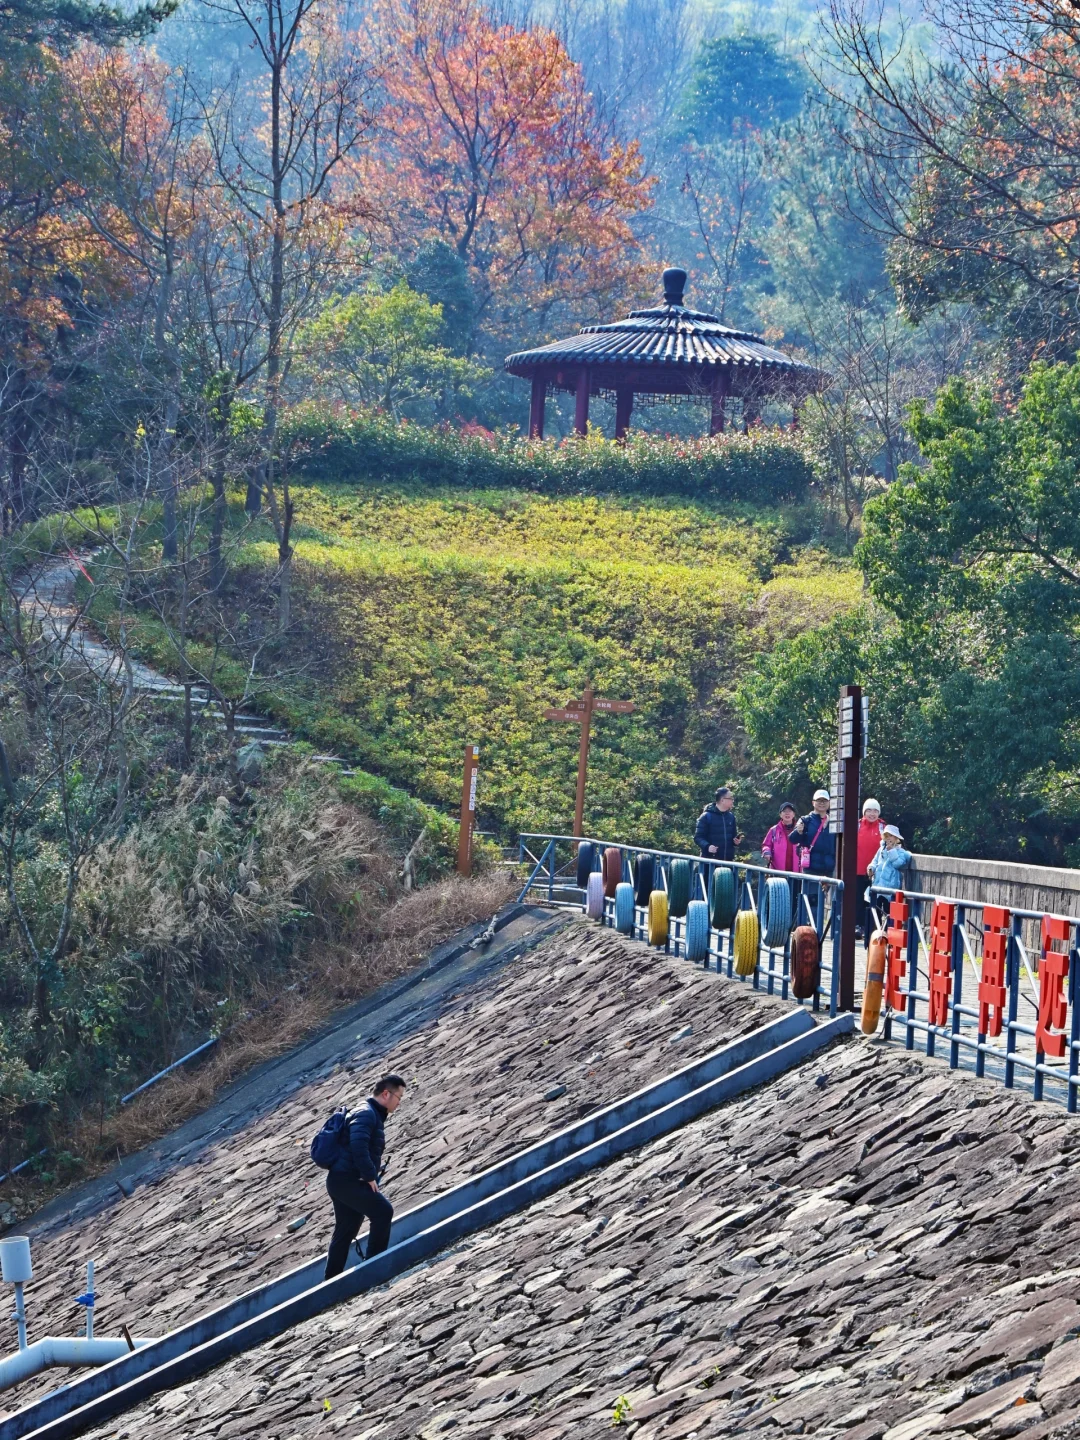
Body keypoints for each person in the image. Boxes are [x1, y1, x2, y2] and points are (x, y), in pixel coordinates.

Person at [323, 1074, 406, 1280]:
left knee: (346, 1229)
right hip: (346, 1180)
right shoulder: (367, 1113)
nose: (399, 1102)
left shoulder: (370, 1112)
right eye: (399, 1097)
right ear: (386, 1094)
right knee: (383, 1212)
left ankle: (331, 1281)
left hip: (341, 1181)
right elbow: (358, 1145)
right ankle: (374, 1268)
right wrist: (370, 1176)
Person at [866, 825, 912, 927]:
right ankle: (875, 932)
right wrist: (871, 868)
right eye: (886, 836)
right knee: (875, 910)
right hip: (878, 885)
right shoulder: (881, 849)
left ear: (896, 838)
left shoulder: (901, 852)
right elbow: (875, 861)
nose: (888, 838)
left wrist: (891, 851)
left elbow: (898, 864)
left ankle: (888, 933)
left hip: (891, 886)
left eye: (891, 836)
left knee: (889, 912)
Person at [856, 798, 884, 942]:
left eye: (875, 811)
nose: (872, 814)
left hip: (877, 872)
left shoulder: (883, 827)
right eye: (869, 810)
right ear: (864, 812)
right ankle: (858, 926)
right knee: (858, 900)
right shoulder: (857, 825)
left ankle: (874, 928)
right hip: (858, 870)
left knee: (876, 901)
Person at [791, 789, 836, 877]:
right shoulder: (805, 820)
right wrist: (798, 831)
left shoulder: (834, 822)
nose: (822, 803)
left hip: (830, 870)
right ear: (813, 803)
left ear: (829, 803)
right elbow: (792, 839)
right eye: (819, 800)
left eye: (825, 800)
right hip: (810, 870)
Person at [695, 786, 744, 862]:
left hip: (728, 862)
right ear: (722, 800)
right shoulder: (706, 816)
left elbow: (733, 837)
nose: (733, 801)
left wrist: (735, 842)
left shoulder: (731, 817)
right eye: (730, 798)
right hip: (710, 862)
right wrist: (708, 846)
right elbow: (698, 838)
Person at [761, 802, 799, 873]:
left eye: (789, 811)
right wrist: (767, 852)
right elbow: (766, 845)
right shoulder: (774, 830)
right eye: (784, 811)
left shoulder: (800, 830)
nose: (787, 813)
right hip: (777, 871)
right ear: (780, 814)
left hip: (797, 872)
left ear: (793, 814)